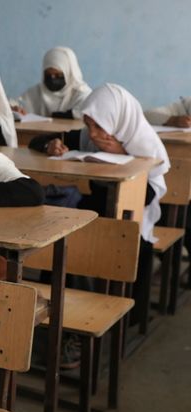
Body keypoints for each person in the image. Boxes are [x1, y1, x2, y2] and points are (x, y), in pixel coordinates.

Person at [29, 83, 170, 328]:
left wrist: (123, 155)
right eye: (88, 124)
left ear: (118, 120)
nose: (92, 133)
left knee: (93, 243)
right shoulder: (88, 137)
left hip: (131, 221)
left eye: (98, 125)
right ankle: (59, 316)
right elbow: (37, 141)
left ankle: (97, 321)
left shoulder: (146, 145)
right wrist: (50, 145)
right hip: (94, 211)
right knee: (63, 235)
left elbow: (147, 196)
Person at [11, 46, 92, 119]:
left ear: (69, 74)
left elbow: (84, 114)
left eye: (58, 75)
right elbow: (18, 106)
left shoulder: (82, 93)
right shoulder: (35, 93)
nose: (52, 79)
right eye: (48, 75)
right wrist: (15, 109)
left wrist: (57, 116)